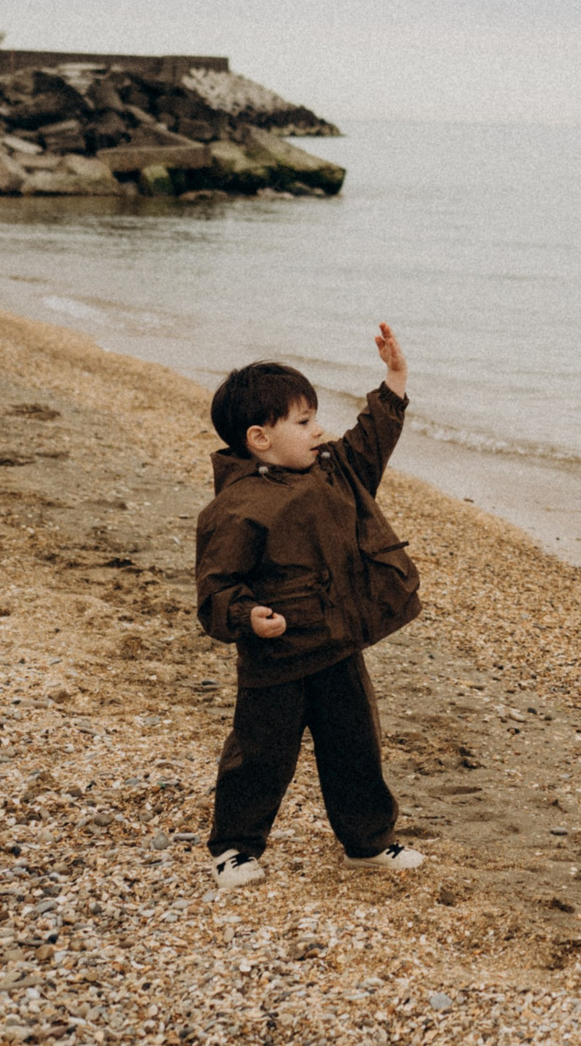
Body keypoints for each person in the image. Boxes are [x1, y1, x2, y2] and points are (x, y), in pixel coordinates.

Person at [194, 324, 426, 890]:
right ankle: (234, 846)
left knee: (355, 749)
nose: (319, 429)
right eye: (303, 422)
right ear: (259, 438)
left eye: (315, 416)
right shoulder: (236, 510)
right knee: (258, 756)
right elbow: (216, 590)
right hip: (277, 659)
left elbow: (371, 440)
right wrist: (247, 616)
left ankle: (367, 842)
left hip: (337, 645)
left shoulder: (335, 472)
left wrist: (394, 380)